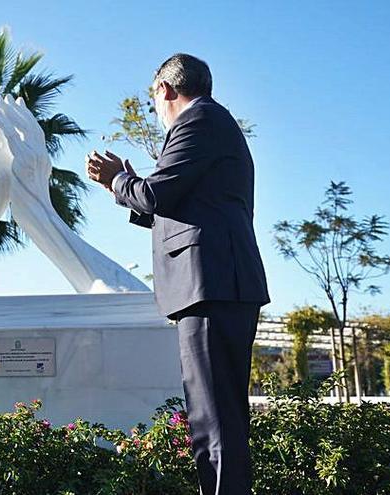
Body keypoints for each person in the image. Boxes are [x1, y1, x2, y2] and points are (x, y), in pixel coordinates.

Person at [86, 53, 270, 495]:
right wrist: (134, 188)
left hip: (211, 285)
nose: (156, 110)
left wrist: (117, 182)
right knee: (214, 416)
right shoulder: (212, 124)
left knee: (215, 419)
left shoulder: (198, 120)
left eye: (153, 101)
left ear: (165, 90)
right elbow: (176, 203)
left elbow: (158, 194)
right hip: (217, 285)